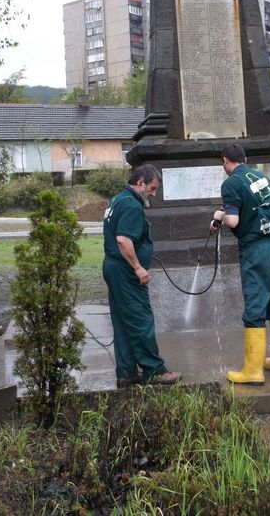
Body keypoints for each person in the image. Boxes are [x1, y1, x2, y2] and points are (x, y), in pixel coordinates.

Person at [210, 143, 270, 385]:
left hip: (256, 249)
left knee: (256, 302)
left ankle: (253, 371)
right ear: (244, 159)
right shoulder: (261, 177)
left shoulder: (231, 182)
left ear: (225, 161)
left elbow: (233, 221)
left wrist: (219, 216)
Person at [102, 164, 182, 387]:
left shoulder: (117, 200)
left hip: (114, 268)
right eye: (152, 188)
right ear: (140, 183)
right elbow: (123, 239)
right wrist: (138, 267)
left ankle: (126, 372)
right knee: (140, 319)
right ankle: (154, 371)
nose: (153, 194)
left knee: (122, 321)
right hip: (125, 272)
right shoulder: (131, 205)